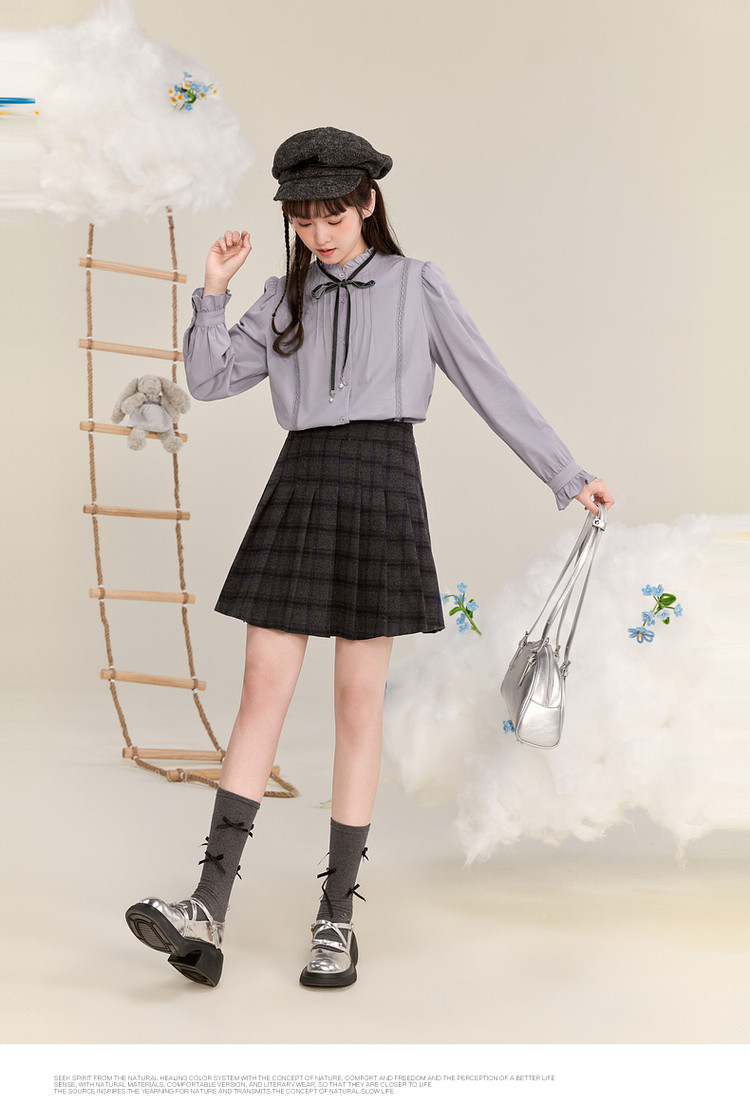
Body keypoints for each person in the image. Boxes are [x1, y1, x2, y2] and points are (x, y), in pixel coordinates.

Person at [125, 126, 615, 990]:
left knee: (357, 707)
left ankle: (336, 920)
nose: (318, 233)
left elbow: (488, 381)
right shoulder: (283, 295)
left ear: (368, 203)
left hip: (383, 482)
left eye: (333, 215)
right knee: (261, 695)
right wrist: (213, 292)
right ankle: (206, 906)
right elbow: (208, 381)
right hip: (302, 483)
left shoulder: (417, 285)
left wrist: (566, 474)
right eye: (303, 219)